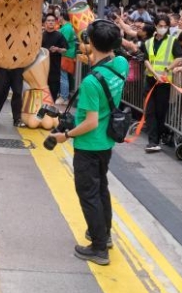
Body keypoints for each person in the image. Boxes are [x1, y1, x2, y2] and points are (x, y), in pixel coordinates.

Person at [48, 20, 128, 265]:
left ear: (91, 43)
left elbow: (90, 122)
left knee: (89, 194)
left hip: (89, 144)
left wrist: (65, 136)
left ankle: (98, 248)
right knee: (101, 188)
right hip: (106, 143)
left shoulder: (92, 82)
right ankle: (104, 234)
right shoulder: (121, 65)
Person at [142, 14, 182, 153]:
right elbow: (145, 59)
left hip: (164, 82)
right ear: (155, 26)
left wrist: (166, 70)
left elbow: (179, 58)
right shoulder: (148, 42)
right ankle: (152, 141)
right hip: (150, 79)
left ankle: (156, 139)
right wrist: (154, 72)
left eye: (165, 26)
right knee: (149, 110)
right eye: (160, 26)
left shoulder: (173, 41)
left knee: (160, 111)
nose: (163, 28)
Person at [41, 13, 68, 101]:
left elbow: (65, 49)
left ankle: (50, 113)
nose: (51, 22)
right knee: (42, 95)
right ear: (45, 23)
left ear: (55, 22)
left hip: (55, 69)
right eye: (48, 21)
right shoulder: (40, 36)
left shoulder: (59, 35)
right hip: (42, 70)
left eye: (52, 21)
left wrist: (57, 49)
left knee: (52, 95)